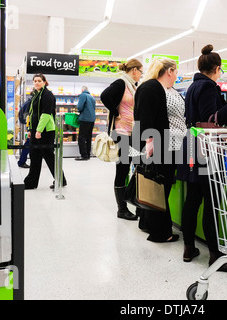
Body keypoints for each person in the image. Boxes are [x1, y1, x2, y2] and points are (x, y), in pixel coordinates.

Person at [177, 44, 227, 272]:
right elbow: (211, 119)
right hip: (205, 147)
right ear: (217, 68)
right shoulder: (208, 86)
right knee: (211, 202)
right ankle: (215, 256)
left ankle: (189, 247)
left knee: (192, 199)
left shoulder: (193, 86)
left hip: (191, 144)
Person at [132, 57, 186, 242]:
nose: (177, 75)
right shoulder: (151, 87)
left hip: (171, 144)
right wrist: (149, 141)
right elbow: (144, 115)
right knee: (159, 189)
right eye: (176, 71)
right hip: (161, 146)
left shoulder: (167, 89)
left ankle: (148, 224)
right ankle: (160, 233)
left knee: (156, 187)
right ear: (169, 71)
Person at [100, 59, 143, 221]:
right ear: (133, 70)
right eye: (140, 71)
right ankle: (122, 209)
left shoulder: (132, 85)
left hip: (132, 132)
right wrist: (115, 111)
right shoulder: (121, 83)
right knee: (123, 169)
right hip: (121, 132)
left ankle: (133, 202)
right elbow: (105, 96)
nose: (141, 74)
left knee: (136, 166)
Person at [24, 73, 67, 190]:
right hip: (36, 130)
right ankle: (31, 182)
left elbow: (46, 114)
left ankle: (61, 180)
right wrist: (30, 129)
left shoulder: (47, 95)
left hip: (45, 131)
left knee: (48, 156)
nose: (37, 82)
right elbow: (32, 114)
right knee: (34, 155)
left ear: (44, 82)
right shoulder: (36, 95)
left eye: (39, 80)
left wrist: (38, 130)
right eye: (35, 81)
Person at [75, 86, 96, 160]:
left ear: (82, 90)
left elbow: (80, 107)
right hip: (92, 119)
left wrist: (78, 111)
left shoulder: (83, 95)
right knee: (88, 137)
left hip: (85, 119)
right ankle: (88, 154)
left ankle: (83, 155)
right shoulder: (91, 97)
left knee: (81, 138)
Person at [17, 98, 32, 168]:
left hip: (29, 124)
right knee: (28, 143)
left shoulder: (29, 101)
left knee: (30, 144)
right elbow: (29, 114)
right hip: (31, 125)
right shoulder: (32, 102)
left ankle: (22, 161)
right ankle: (21, 162)